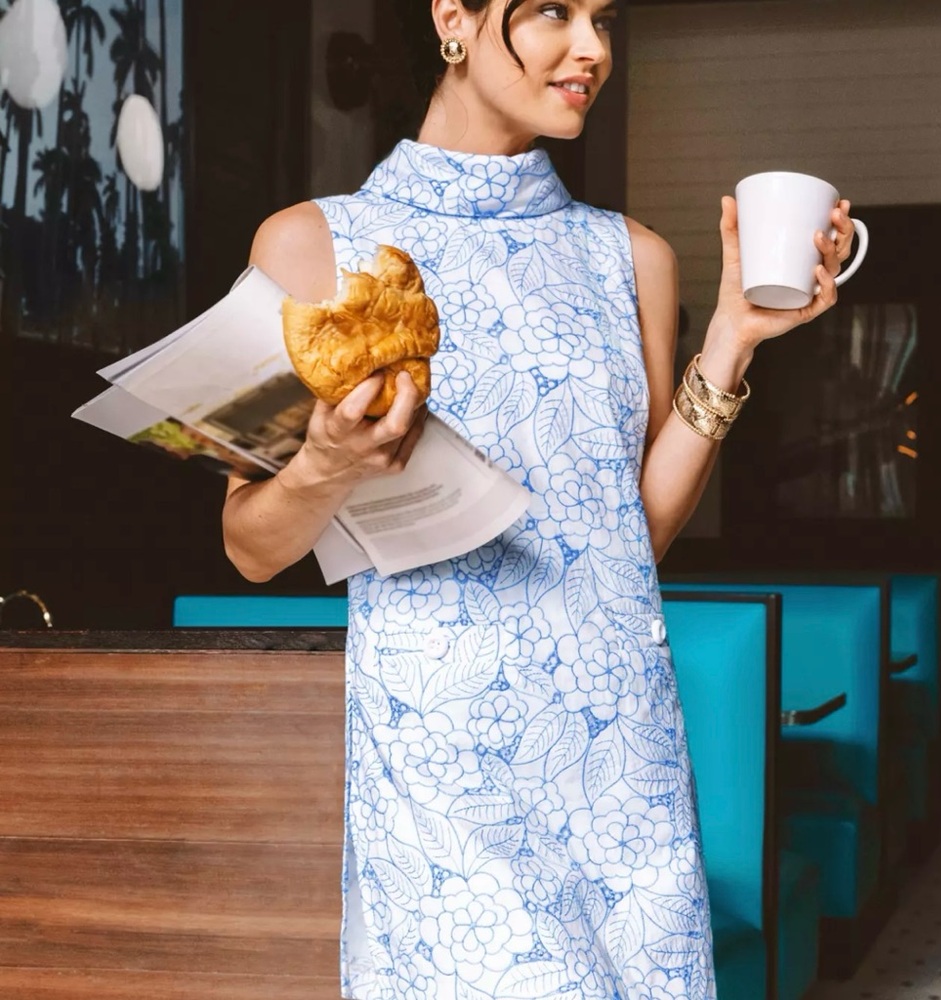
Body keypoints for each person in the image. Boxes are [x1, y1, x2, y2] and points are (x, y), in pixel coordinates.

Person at [222, 2, 858, 997]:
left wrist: (730, 339)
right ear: (453, 17)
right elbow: (250, 545)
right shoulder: (311, 248)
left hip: (623, 754)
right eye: (554, 11)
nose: (593, 48)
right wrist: (326, 464)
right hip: (445, 772)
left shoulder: (631, 259)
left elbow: (629, 534)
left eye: (604, 17)